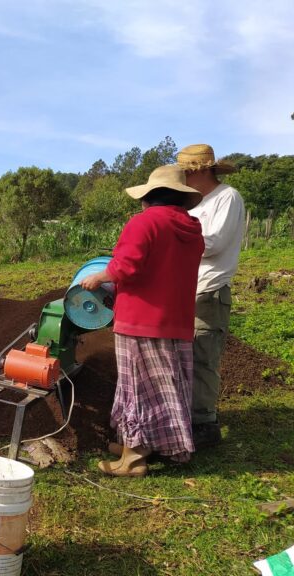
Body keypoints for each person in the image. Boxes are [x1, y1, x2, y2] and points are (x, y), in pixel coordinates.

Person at [80, 165, 205, 477]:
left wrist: (98, 277)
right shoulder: (191, 228)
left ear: (150, 196)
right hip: (176, 320)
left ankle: (133, 459)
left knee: (137, 388)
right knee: (163, 387)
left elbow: (125, 266)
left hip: (141, 320)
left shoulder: (145, 223)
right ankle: (142, 443)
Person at [177, 144, 245, 449]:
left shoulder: (227, 198)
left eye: (187, 173)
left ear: (202, 170)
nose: (184, 179)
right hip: (182, 290)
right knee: (182, 356)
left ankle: (204, 423)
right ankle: (184, 416)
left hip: (208, 289)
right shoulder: (191, 203)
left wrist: (172, 234)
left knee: (203, 356)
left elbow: (213, 243)